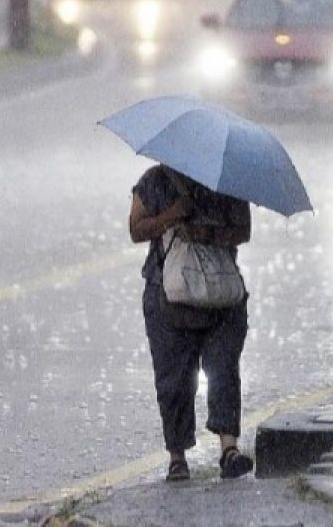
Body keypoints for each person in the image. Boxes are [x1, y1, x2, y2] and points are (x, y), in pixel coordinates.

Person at [128, 163, 255, 482]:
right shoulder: (155, 182)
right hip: (167, 296)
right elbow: (136, 229)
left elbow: (243, 231)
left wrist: (203, 233)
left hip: (221, 297)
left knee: (224, 369)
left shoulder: (228, 183)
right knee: (173, 379)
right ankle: (177, 456)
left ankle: (229, 449)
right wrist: (173, 215)